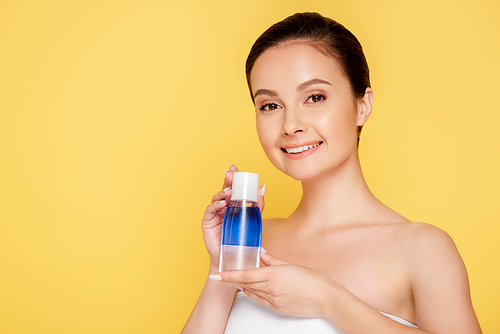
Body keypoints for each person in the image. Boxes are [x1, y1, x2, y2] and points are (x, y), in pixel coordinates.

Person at [181, 12, 481, 334]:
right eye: (270, 105)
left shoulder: (422, 249)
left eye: (314, 97)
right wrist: (223, 263)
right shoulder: (254, 241)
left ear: (362, 106)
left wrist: (329, 300)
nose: (291, 125)